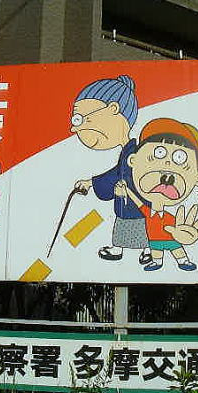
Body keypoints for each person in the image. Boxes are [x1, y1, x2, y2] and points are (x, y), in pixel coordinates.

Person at [72, 75, 151, 264]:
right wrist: (91, 183)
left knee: (142, 225)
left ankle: (148, 249)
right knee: (123, 223)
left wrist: (124, 190)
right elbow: (116, 173)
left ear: (113, 109)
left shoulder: (137, 152)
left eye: (82, 118)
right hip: (125, 203)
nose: (76, 128)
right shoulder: (127, 152)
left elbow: (131, 176)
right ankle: (122, 248)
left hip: (137, 204)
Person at [114, 118, 198, 271]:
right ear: (133, 160)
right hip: (154, 241)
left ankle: (183, 261)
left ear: (197, 178)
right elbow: (138, 202)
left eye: (180, 158)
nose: (166, 173)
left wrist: (183, 235)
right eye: (159, 153)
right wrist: (126, 192)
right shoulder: (147, 212)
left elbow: (176, 228)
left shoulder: (169, 217)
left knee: (176, 249)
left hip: (169, 239)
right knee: (157, 252)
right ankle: (157, 262)